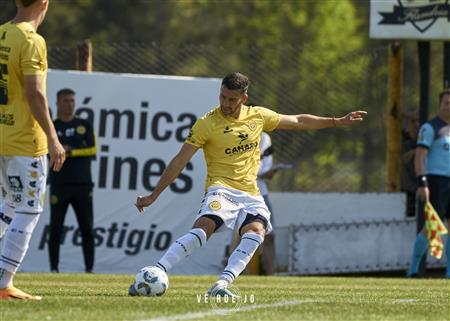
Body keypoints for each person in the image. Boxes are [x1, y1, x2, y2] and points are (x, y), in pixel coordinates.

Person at [132, 72, 367, 296]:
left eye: (232, 99)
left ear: (243, 98)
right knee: (204, 227)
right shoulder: (207, 123)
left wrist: (337, 121)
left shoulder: (258, 116)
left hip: (251, 192)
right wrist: (154, 195)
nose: (225, 103)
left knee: (257, 232)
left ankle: (221, 284)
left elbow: (298, 121)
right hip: (221, 188)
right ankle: (158, 269)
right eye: (222, 96)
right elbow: (179, 161)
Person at [0, 0, 66, 300]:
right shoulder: (32, 40)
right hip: (25, 142)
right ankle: (4, 283)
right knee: (28, 210)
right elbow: (35, 93)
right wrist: (53, 138)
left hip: (2, 136)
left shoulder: (2, 33)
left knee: (8, 206)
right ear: (44, 3)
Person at [48, 88, 97, 273]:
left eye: (72, 101)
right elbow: (47, 151)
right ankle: (54, 269)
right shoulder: (53, 127)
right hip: (59, 184)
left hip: (83, 185)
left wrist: (69, 152)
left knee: (87, 229)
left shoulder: (83, 124)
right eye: (66, 101)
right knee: (55, 229)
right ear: (58, 103)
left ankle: (89, 270)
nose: (69, 104)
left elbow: (92, 149)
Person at [407, 89, 450, 278]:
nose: (449, 106)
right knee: (432, 225)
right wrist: (422, 182)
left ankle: (449, 272)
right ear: (439, 105)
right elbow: (420, 156)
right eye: (446, 103)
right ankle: (413, 269)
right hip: (436, 181)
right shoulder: (431, 127)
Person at [257, 131, 277, 275]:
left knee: (269, 235)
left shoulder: (264, 138)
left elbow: (264, 170)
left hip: (261, 193)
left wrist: (268, 172)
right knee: (239, 236)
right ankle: (234, 275)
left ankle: (271, 276)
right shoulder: (235, 134)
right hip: (240, 193)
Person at [400, 109, 420, 217]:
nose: (416, 124)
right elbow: (387, 117)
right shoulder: (401, 136)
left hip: (420, 185)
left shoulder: (424, 138)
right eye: (413, 121)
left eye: (418, 121)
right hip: (405, 186)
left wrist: (415, 152)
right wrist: (405, 114)